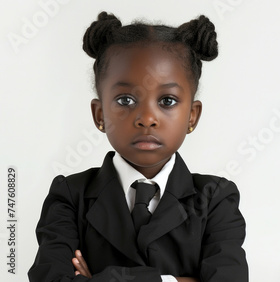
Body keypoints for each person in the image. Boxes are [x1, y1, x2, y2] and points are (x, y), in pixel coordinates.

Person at [28, 11, 248, 282]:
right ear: (100, 115)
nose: (146, 118)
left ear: (192, 116)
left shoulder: (215, 199)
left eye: (167, 101)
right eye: (125, 100)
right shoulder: (70, 196)